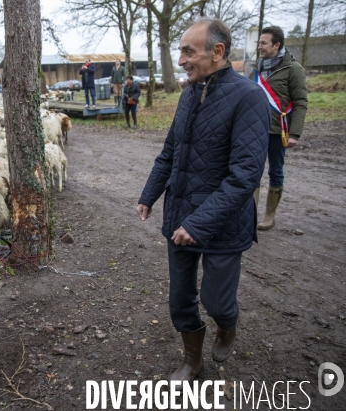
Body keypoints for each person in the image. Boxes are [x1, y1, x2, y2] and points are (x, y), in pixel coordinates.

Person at [136, 18, 270, 388]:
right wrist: (150, 194)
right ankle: (192, 362)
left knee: (217, 302)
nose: (181, 60)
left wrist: (199, 223)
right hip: (180, 214)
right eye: (180, 51)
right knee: (180, 300)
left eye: (188, 51)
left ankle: (228, 326)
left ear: (217, 52)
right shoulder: (188, 94)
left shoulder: (249, 98)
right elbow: (170, 153)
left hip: (224, 224)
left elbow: (245, 175)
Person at [250, 26, 308, 230]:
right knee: (252, 171)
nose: (259, 46)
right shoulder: (257, 68)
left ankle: (269, 216)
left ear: (277, 45)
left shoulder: (293, 69)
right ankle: (251, 214)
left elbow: (300, 102)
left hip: (277, 131)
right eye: (259, 42)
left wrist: (294, 133)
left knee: (275, 171)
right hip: (255, 130)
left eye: (264, 43)